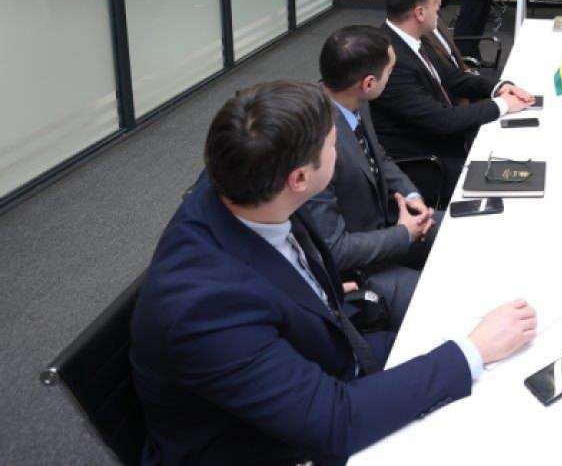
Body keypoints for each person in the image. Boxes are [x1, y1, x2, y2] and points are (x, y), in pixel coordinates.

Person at [131, 81, 537, 465]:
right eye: (332, 143)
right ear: (300, 179)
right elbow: (335, 422)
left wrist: (313, 290)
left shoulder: (247, 180)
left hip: (326, 353)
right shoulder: (206, 309)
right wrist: (473, 352)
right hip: (273, 444)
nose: (340, 148)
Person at [302, 25, 435, 329]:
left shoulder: (349, 101)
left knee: (459, 231)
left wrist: (412, 196)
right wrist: (403, 234)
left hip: (386, 222)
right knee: (437, 300)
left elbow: (380, 157)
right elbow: (335, 250)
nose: (391, 77)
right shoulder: (316, 144)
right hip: (359, 266)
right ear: (368, 83)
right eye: (390, 71)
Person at [370, 0, 533, 205]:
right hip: (430, 162)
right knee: (520, 185)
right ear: (420, 13)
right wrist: (502, 105)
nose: (440, 11)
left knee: (525, 149)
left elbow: (453, 79)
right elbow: (441, 120)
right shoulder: (391, 59)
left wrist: (499, 88)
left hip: (447, 139)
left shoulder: (412, 38)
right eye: (436, 6)